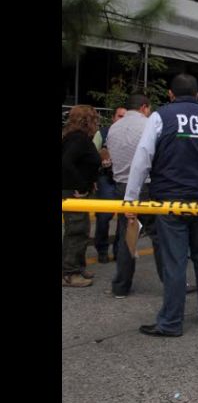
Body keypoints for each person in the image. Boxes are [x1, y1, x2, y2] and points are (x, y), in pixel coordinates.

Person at [125, 74, 198, 337]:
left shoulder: (160, 117)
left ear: (170, 95)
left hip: (170, 201)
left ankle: (171, 322)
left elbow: (142, 157)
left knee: (175, 262)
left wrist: (131, 198)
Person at [106, 95, 163, 298]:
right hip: (145, 185)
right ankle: (171, 281)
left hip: (121, 187)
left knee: (126, 235)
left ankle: (121, 286)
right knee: (159, 235)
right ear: (144, 107)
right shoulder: (149, 125)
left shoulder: (114, 128)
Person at [62, 105, 102, 287]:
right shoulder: (78, 138)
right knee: (76, 230)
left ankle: (77, 267)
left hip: (75, 189)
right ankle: (69, 273)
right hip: (74, 192)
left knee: (81, 229)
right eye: (95, 118)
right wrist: (81, 185)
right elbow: (66, 162)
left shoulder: (74, 136)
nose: (97, 122)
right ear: (88, 120)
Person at [93, 106, 126, 263]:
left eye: (125, 116)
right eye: (120, 116)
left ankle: (119, 250)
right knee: (104, 216)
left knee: (124, 218)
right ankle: (102, 249)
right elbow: (91, 155)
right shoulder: (103, 133)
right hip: (106, 178)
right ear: (113, 118)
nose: (122, 119)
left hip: (124, 179)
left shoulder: (131, 134)